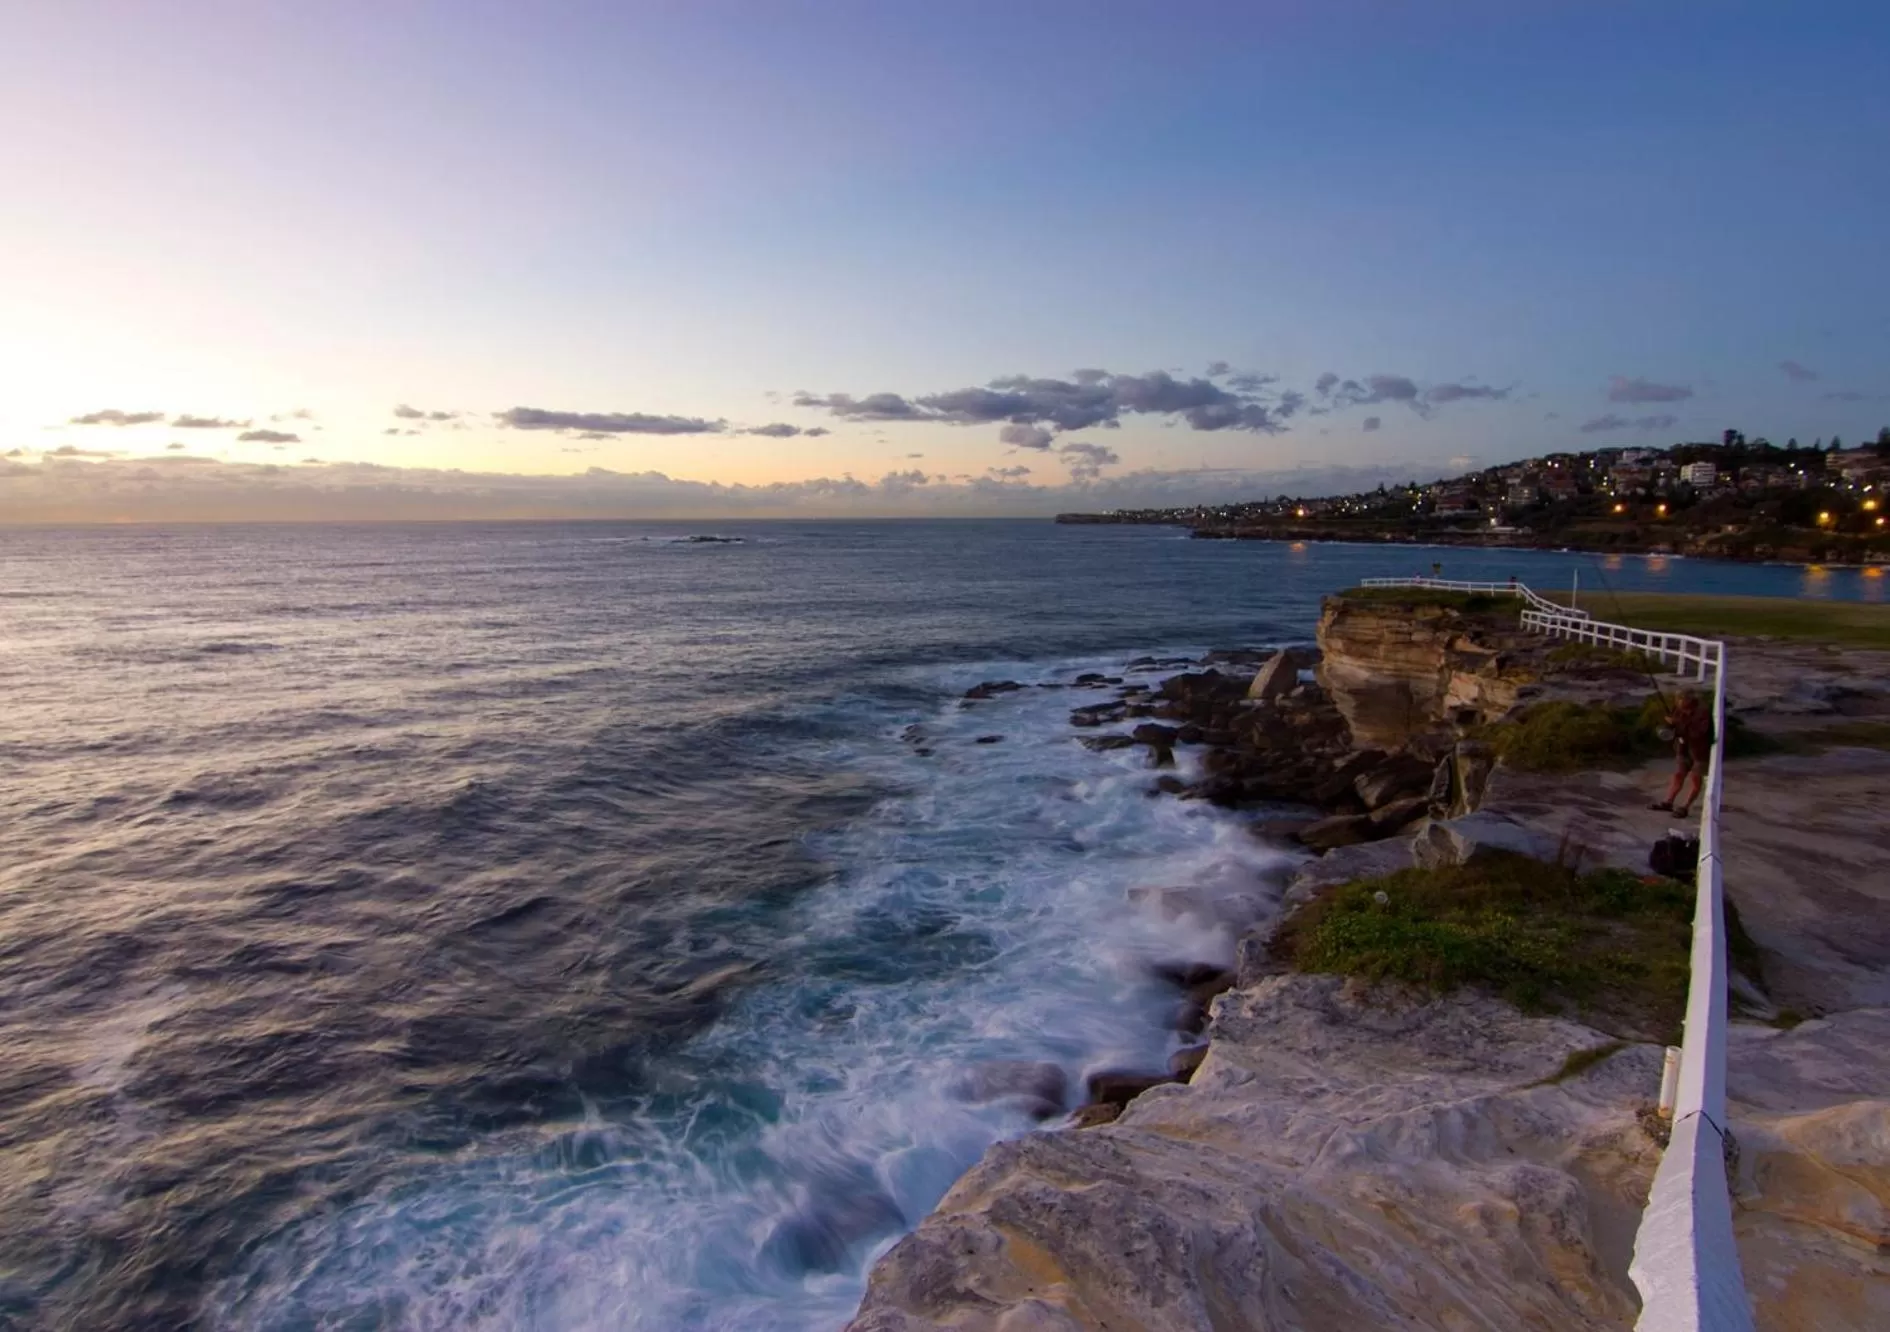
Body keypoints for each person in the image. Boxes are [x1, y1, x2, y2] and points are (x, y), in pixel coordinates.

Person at [1651, 691, 1714, 818]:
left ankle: (1685, 806)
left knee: (1695, 778)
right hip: (1682, 748)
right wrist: (1668, 726)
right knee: (1678, 775)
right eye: (1677, 699)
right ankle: (1668, 802)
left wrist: (1677, 723)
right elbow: (1674, 726)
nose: (1678, 702)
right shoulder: (1678, 709)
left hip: (1700, 751)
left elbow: (1698, 732)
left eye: (1681, 699)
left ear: (1689, 700)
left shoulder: (1702, 712)